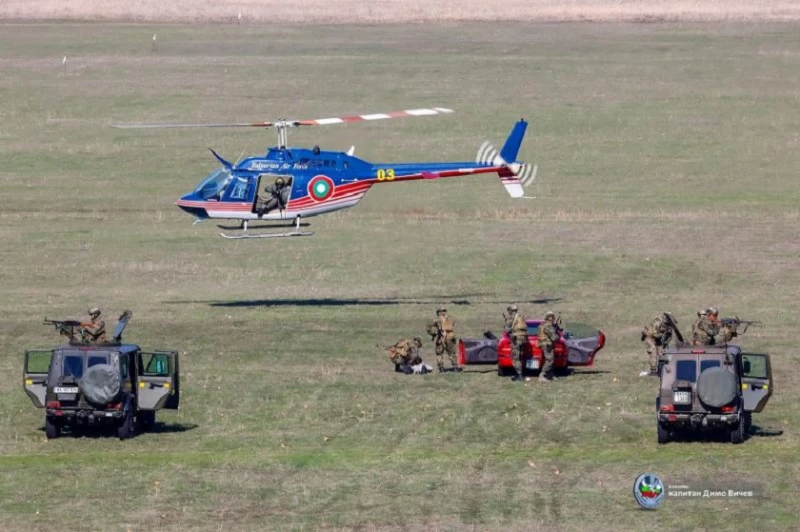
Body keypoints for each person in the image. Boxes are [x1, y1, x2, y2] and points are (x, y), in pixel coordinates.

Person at [640, 312, 677, 376]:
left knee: (661, 353)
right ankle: (653, 370)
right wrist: (661, 335)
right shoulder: (658, 321)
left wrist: (665, 343)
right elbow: (654, 334)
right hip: (650, 337)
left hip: (657, 338)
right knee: (653, 351)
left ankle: (661, 369)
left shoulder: (667, 325)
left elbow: (668, 336)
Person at [427, 306, 460, 373]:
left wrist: (432, 334)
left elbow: (428, 327)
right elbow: (453, 323)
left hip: (441, 338)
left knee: (440, 353)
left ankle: (441, 368)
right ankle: (455, 367)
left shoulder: (437, 320)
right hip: (450, 336)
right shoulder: (451, 318)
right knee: (451, 353)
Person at [506, 305, 529, 382]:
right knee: (519, 357)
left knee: (515, 358)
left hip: (516, 339)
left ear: (511, 311)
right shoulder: (521, 317)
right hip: (523, 339)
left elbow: (507, 329)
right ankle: (519, 373)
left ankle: (519, 375)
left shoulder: (511, 318)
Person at [538, 311, 559, 382]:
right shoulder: (548, 326)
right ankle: (542, 375)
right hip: (547, 345)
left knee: (548, 359)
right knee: (550, 360)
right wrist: (557, 336)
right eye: (553, 318)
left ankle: (549, 375)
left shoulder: (542, 324)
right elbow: (553, 337)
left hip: (543, 344)